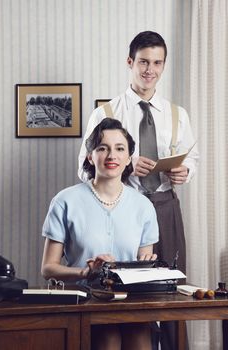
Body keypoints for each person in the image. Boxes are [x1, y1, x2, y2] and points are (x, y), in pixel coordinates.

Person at [78, 31, 199, 350]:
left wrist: (186, 170)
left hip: (165, 208)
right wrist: (124, 165)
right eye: (143, 61)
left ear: (163, 65)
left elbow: (193, 157)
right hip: (121, 211)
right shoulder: (105, 114)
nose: (150, 69)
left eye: (157, 63)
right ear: (130, 62)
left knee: (172, 290)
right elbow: (83, 168)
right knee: (122, 292)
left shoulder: (178, 115)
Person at [41, 117, 159, 350]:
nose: (111, 155)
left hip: (130, 302)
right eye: (102, 148)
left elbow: (144, 265)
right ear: (90, 156)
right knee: (108, 337)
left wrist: (147, 267)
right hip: (85, 300)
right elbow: (48, 268)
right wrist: (88, 271)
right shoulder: (65, 200)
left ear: (128, 159)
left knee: (140, 336)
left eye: (119, 149)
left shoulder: (143, 205)